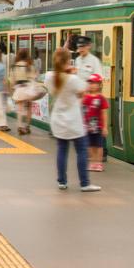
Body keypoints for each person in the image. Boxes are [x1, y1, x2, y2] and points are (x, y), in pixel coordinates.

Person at [45, 48, 100, 192]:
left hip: (58, 119)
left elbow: (56, 76)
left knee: (62, 150)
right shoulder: (73, 79)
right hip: (73, 120)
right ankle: (85, 183)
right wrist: (72, 73)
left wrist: (67, 71)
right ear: (68, 61)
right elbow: (83, 92)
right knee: (81, 150)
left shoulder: (49, 77)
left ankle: (62, 181)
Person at [83, 74, 109, 172]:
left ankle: (99, 163)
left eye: (94, 83)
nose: (92, 85)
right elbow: (83, 110)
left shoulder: (101, 98)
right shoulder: (86, 97)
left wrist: (105, 127)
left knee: (99, 145)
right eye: (90, 83)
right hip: (88, 126)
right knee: (90, 145)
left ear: (100, 85)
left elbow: (104, 113)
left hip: (98, 126)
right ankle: (92, 162)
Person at [9, 48, 36, 135]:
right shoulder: (29, 65)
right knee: (28, 109)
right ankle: (27, 127)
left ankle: (20, 127)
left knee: (20, 109)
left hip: (19, 89)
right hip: (28, 89)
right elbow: (32, 77)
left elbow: (12, 78)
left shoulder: (15, 65)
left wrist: (11, 87)